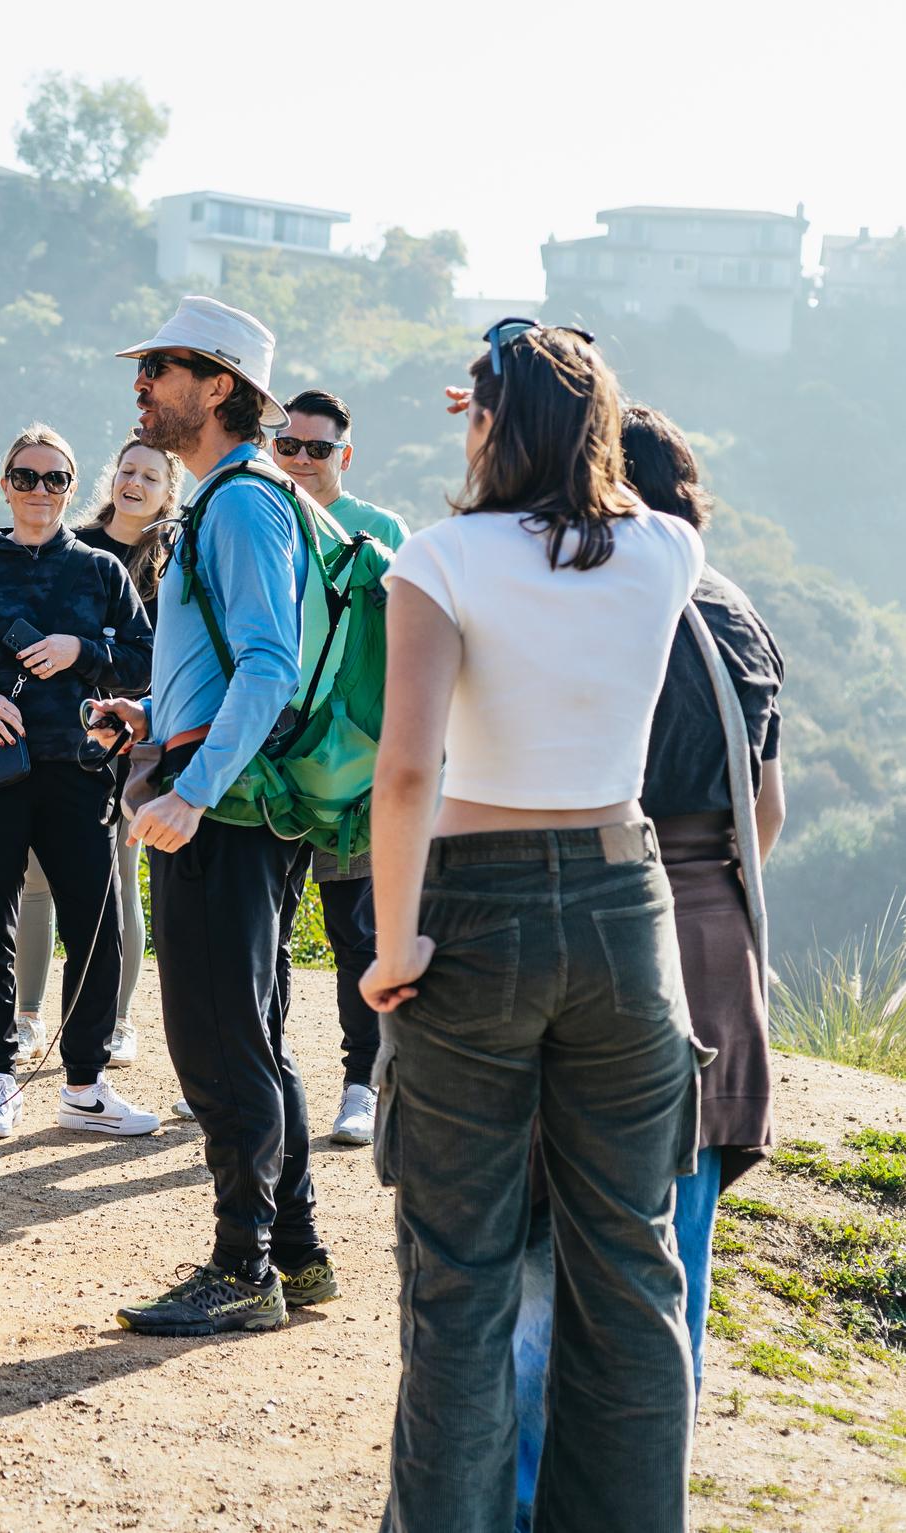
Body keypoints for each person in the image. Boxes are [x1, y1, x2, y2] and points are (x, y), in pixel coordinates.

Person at [361, 321, 704, 1531]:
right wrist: (553, 396)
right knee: (628, 1265)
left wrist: (393, 944)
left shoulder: (438, 557)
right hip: (623, 907)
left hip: (472, 910)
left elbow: (403, 773)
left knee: (458, 1282)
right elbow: (612, 460)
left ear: (484, 422)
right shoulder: (665, 550)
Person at [509, 403, 784, 1522]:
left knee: (540, 1284)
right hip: (714, 955)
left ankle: (525, 1507)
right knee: (670, 1292)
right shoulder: (735, 612)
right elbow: (763, 812)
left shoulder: (587, 609)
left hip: (593, 932)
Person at [106, 296, 333, 1338]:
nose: (142, 383)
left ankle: (240, 1270)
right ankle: (293, 1251)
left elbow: (270, 665)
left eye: (160, 366)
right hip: (232, 796)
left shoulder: (239, 503)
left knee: (215, 1044)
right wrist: (149, 714)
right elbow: (224, 668)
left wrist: (188, 797)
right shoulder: (231, 499)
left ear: (218, 386)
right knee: (254, 1033)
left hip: (221, 806)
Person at [0, 424, 157, 1141]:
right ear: (5, 485)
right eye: (27, 476)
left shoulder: (101, 573)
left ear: (73, 488)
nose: (40, 491)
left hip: (80, 772)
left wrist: (84, 649)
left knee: (98, 925)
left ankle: (84, 1083)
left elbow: (143, 660)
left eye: (55, 479)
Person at [8, 434, 181, 1068]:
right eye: (127, 470)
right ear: (110, 477)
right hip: (58, 737)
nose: (134, 483)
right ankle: (26, 1019)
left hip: (138, 740)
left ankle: (116, 1020)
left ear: (169, 493)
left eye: (151, 477)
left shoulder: (179, 560)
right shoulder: (72, 548)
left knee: (118, 884)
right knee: (35, 883)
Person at [273, 387, 410, 1146]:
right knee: (268, 922)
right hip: (268, 757)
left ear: (344, 456)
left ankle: (362, 1082)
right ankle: (264, 1065)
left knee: (354, 927)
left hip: (352, 763)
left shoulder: (382, 530)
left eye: (316, 449)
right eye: (287, 444)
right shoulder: (258, 516)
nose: (299, 459)